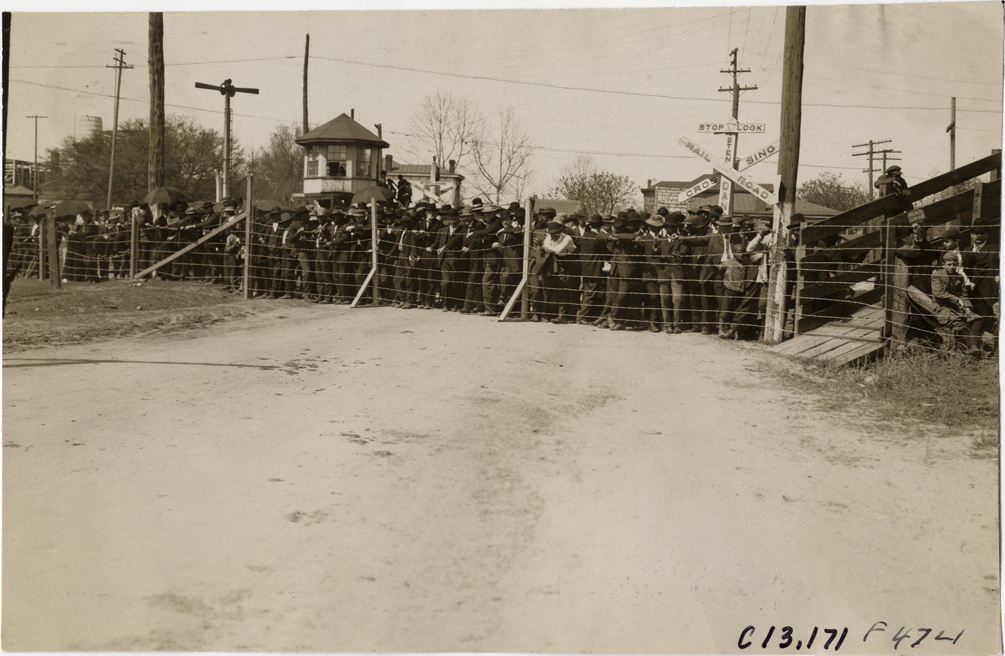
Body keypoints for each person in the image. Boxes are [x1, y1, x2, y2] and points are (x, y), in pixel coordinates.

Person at [932, 250, 983, 357]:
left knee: (977, 318)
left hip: (958, 306)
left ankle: (973, 347)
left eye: (954, 265)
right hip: (943, 307)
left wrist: (968, 307)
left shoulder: (959, 277)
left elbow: (964, 295)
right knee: (958, 323)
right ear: (943, 265)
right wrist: (956, 300)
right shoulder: (937, 275)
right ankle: (970, 347)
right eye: (949, 265)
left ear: (957, 265)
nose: (951, 267)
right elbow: (939, 293)